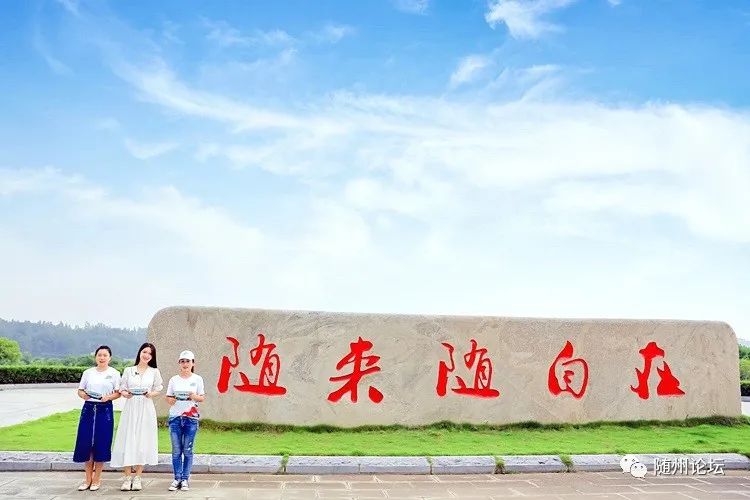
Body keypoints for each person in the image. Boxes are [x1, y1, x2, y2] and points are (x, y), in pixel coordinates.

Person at [110, 342, 163, 491]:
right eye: (144, 352)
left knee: (142, 441)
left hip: (146, 408)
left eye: (150, 353)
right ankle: (127, 478)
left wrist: (150, 394)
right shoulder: (129, 370)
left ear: (152, 357)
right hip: (131, 408)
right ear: (140, 352)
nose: (146, 355)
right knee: (127, 439)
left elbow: (158, 388)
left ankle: (138, 477)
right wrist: (125, 394)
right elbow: (122, 388)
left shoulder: (154, 372)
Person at [73, 345, 121, 491]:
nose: (102, 358)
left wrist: (108, 397)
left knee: (101, 442)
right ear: (95, 357)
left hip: (104, 409)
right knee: (86, 442)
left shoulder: (114, 373)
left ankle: (97, 479)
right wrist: (83, 395)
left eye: (105, 355)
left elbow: (118, 393)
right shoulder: (88, 373)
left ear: (109, 358)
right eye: (99, 355)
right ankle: (87, 479)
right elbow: (80, 390)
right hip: (88, 408)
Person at [165, 350, 205, 491]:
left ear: (193, 363)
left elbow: (202, 398)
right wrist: (172, 399)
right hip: (175, 417)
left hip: (191, 418)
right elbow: (168, 397)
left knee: (188, 450)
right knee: (176, 450)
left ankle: (185, 479)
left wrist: (193, 396)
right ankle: (177, 478)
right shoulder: (173, 380)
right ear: (179, 363)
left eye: (188, 361)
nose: (185, 364)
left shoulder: (197, 379)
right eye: (182, 361)